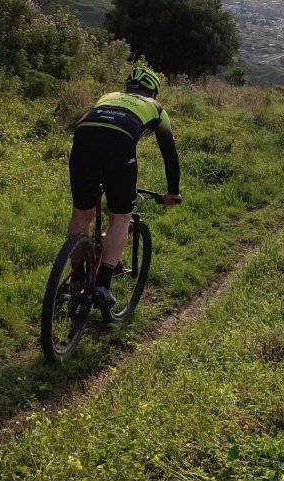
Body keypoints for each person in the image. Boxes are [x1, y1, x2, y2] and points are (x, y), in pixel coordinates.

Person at [66, 66, 182, 307]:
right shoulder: (157, 109)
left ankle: (76, 278)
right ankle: (102, 285)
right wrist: (172, 191)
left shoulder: (108, 96)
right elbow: (170, 155)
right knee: (121, 216)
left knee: (82, 213)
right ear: (153, 92)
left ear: (129, 87)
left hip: (83, 138)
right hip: (119, 146)